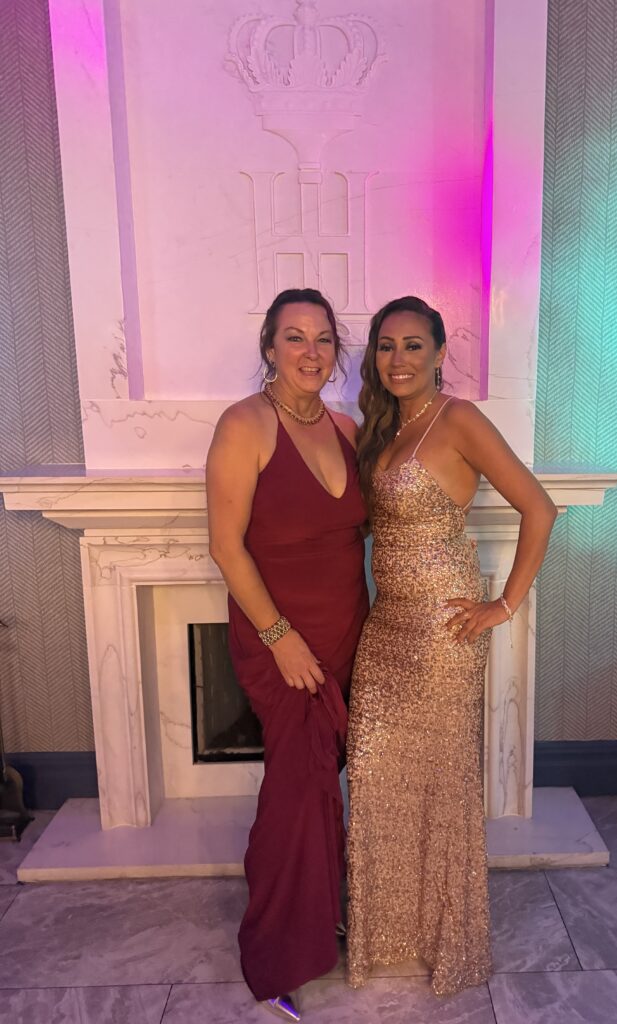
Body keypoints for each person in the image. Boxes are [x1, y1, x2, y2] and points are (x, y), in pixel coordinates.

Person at [345, 296, 557, 996]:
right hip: (386, 626)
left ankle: (446, 938)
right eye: (386, 346)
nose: (398, 359)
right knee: (377, 777)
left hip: (444, 632)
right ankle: (387, 934)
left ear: (439, 354)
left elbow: (539, 507)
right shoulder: (380, 428)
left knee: (440, 787)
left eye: (413, 345)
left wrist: (504, 604)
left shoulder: (458, 419)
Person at [206, 288, 369, 1021]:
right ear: (269, 347)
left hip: (346, 629)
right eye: (294, 336)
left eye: (323, 337)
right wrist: (280, 638)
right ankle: (274, 954)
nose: (311, 351)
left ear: (337, 350)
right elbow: (225, 546)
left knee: (322, 783)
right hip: (281, 639)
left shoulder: (347, 428)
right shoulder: (244, 424)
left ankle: (317, 913)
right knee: (295, 794)